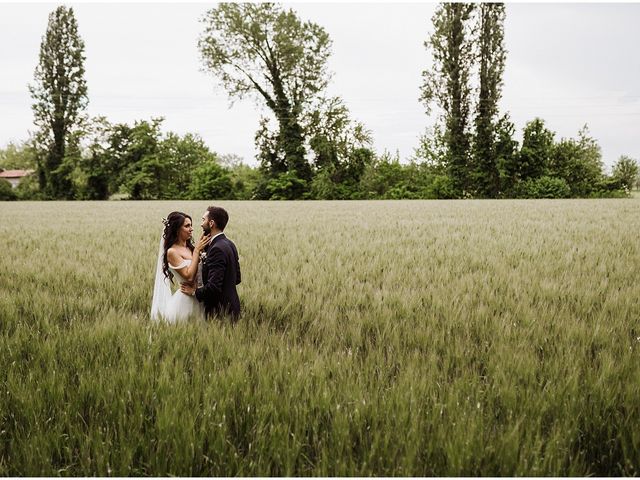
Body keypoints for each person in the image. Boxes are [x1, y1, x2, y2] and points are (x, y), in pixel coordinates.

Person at [181, 206, 241, 320]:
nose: (201, 224)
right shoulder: (229, 243)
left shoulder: (216, 249)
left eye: (203, 220)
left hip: (219, 311)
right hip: (232, 306)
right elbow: (237, 278)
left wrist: (194, 291)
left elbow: (213, 287)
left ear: (211, 223)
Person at [150, 211, 209, 323]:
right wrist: (197, 250)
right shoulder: (172, 252)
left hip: (199, 297)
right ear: (177, 229)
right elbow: (189, 277)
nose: (191, 229)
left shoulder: (190, 248)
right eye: (187, 226)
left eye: (191, 225)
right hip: (186, 301)